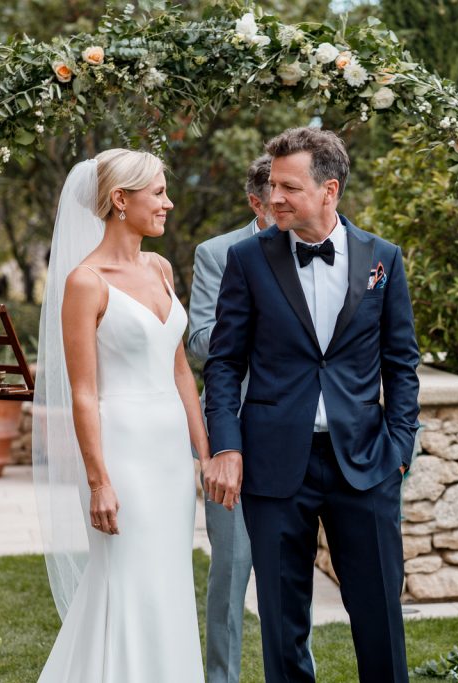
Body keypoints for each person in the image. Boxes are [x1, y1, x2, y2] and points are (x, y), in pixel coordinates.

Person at [202, 127, 420, 683]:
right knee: (282, 625)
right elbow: (224, 363)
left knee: (380, 620)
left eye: (289, 187)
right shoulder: (247, 260)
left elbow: (402, 365)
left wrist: (398, 449)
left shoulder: (383, 260)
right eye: (273, 185)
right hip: (274, 468)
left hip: (366, 464)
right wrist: (226, 444)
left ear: (330, 190)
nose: (274, 198)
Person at [33, 149, 206, 681]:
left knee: (169, 580)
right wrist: (99, 481)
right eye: (158, 192)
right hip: (122, 456)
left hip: (171, 456)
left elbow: (179, 370)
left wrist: (206, 452)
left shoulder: (160, 268)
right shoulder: (86, 281)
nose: (168, 203)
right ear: (119, 200)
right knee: (127, 580)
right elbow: (82, 393)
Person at [188, 154, 312, 683]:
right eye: (274, 199)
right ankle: (223, 678)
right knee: (232, 570)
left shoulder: (315, 248)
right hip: (235, 431)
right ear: (255, 203)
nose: (283, 207)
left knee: (291, 576)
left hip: (298, 433)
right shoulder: (218, 254)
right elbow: (198, 340)